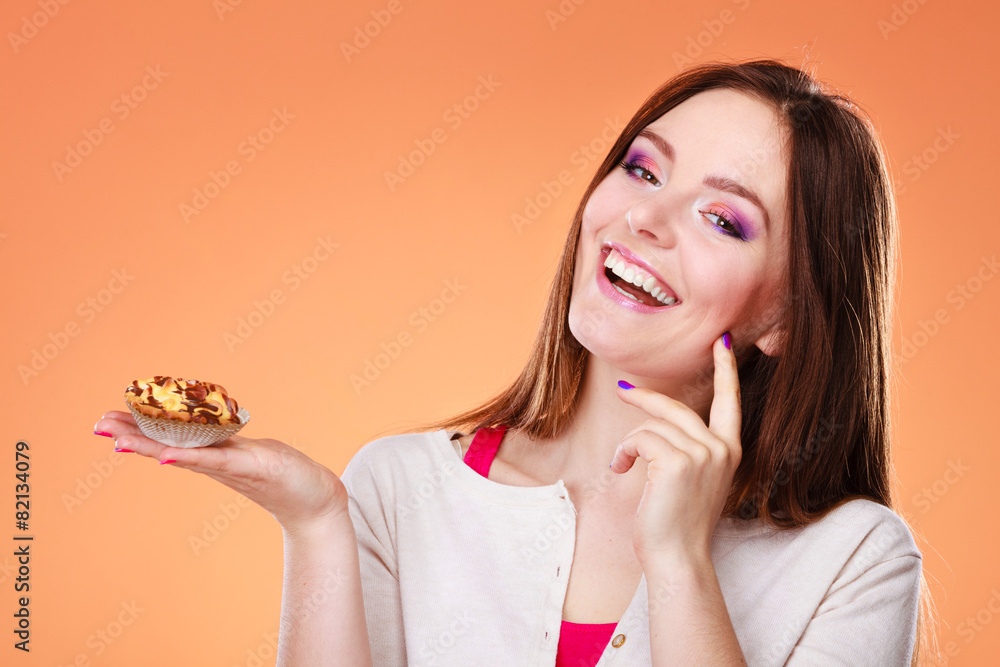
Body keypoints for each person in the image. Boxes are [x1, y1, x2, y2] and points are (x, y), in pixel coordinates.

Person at [95, 57, 937, 666]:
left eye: (722, 219)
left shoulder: (855, 561)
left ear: (786, 314)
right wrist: (316, 523)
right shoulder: (400, 488)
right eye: (643, 169)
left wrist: (680, 562)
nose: (644, 218)